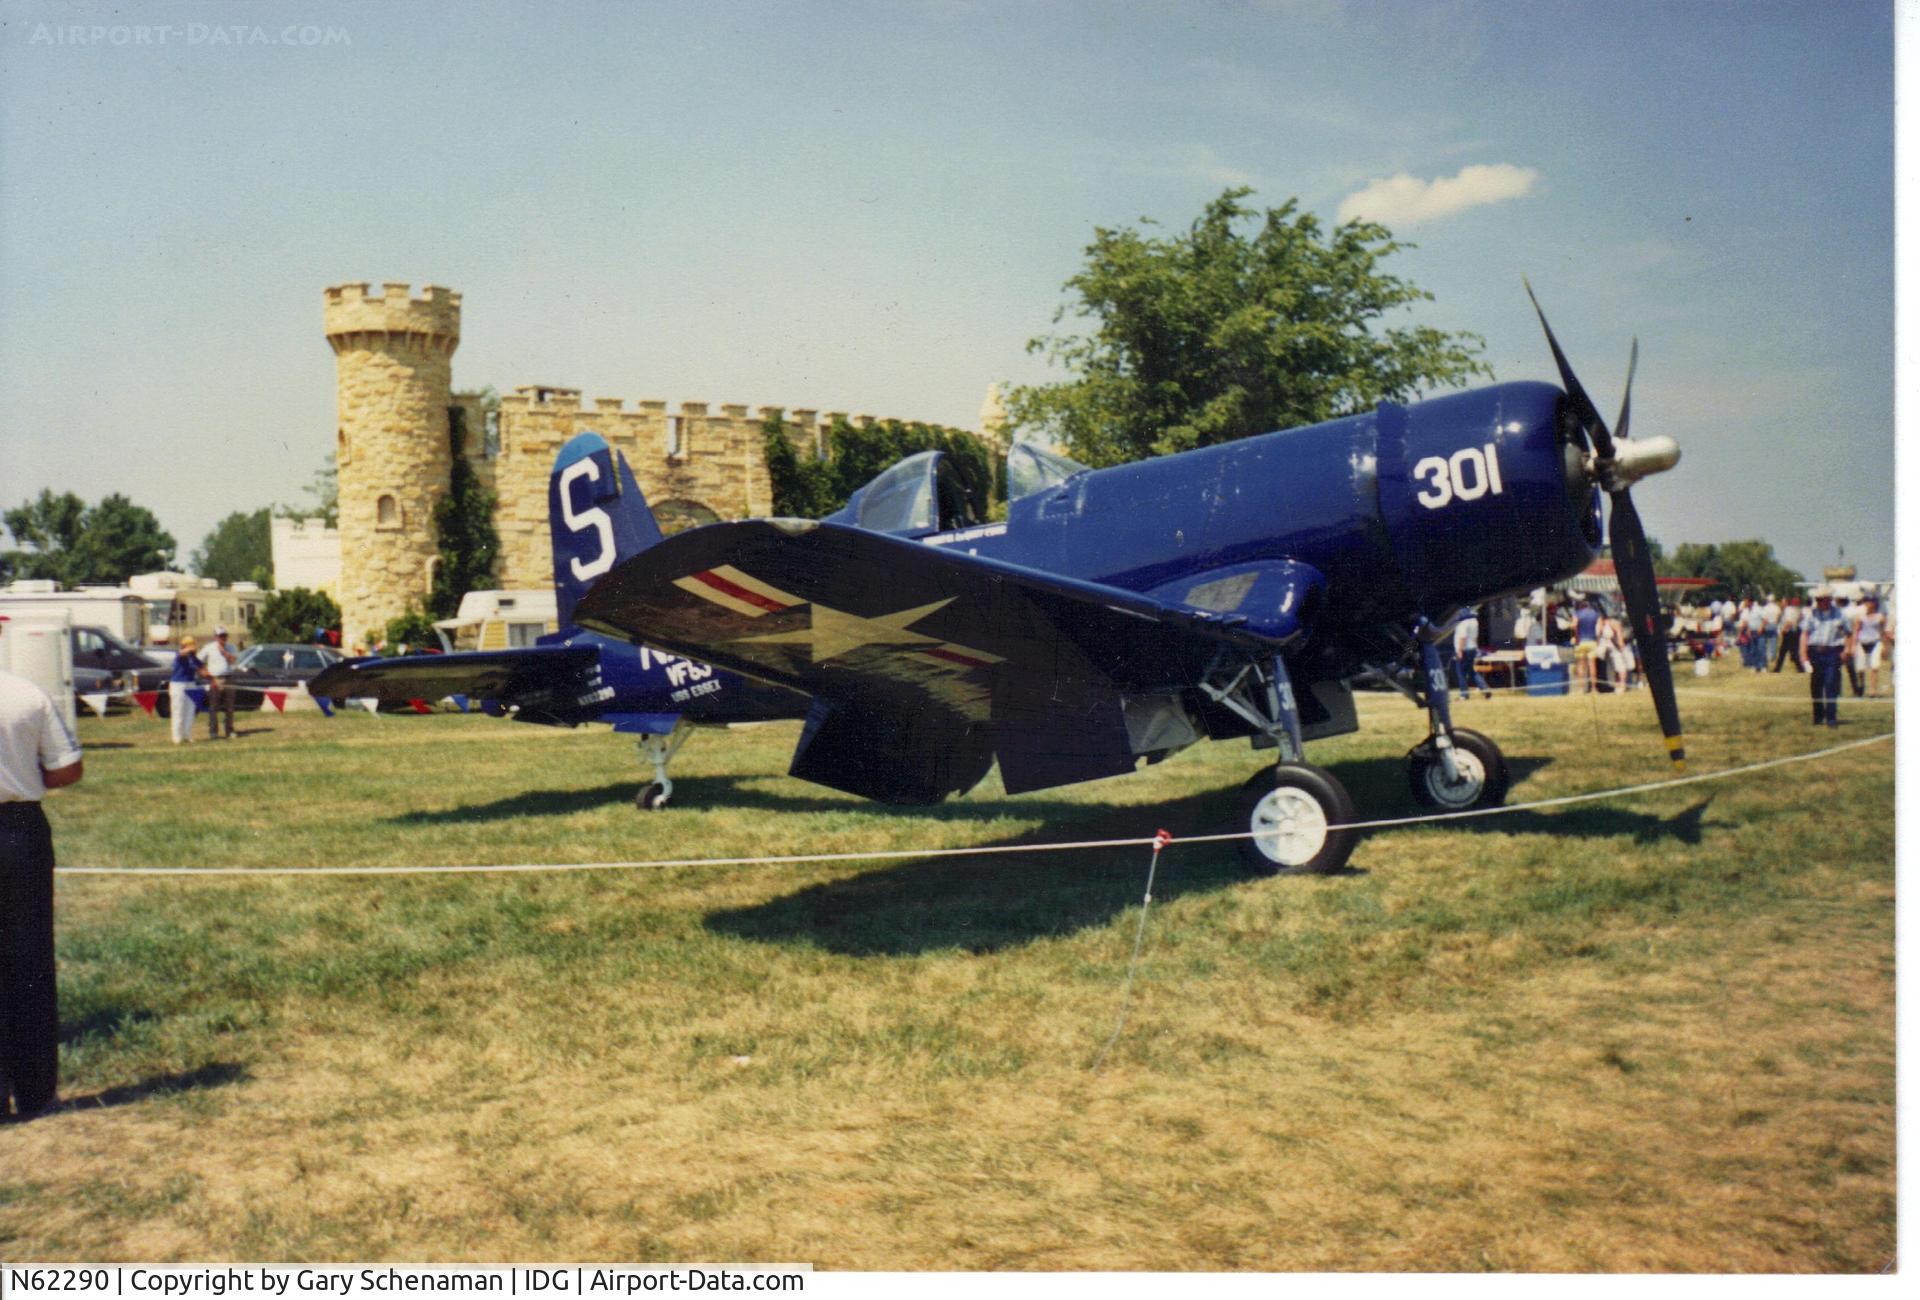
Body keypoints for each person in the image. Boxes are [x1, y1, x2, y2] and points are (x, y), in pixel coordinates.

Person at [0, 613, 84, 1119]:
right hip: (19, 833)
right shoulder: (27, 695)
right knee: (29, 961)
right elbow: (67, 768)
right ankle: (35, 1092)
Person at [1800, 586, 1852, 728]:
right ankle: (1818, 717)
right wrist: (1804, 656)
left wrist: (1846, 650)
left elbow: (1848, 633)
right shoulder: (1811, 615)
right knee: (1816, 686)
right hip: (1815, 653)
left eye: (1822, 599)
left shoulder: (1840, 614)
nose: (1819, 602)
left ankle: (1831, 718)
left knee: (1831, 684)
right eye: (1817, 600)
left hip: (1832, 652)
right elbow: (1804, 635)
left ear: (1829, 599)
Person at [168, 635, 205, 745]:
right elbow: (181, 653)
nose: (192, 648)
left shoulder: (193, 657)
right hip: (178, 684)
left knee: (190, 711)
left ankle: (187, 734)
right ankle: (177, 737)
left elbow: (201, 668)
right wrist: (188, 649)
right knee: (178, 710)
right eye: (189, 645)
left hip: (191, 683)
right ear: (183, 645)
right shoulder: (179, 654)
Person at [203, 625, 237, 740]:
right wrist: (206, 673)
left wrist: (224, 652)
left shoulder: (231, 647)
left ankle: (229, 730)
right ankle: (213, 731)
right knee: (214, 706)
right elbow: (198, 660)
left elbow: (233, 661)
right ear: (215, 637)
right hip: (215, 678)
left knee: (230, 706)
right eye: (220, 636)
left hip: (229, 678)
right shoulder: (209, 647)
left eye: (225, 635)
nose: (223, 638)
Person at [1452, 609, 1490, 701]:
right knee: (1471, 671)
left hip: (1464, 649)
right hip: (1472, 648)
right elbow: (1475, 637)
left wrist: (1459, 650)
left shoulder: (1463, 623)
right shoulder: (1474, 622)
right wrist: (1476, 649)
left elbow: (1462, 637)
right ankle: (1484, 688)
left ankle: (1464, 694)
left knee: (1461, 672)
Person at [1855, 597, 1889, 697]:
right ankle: (1861, 686)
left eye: (1869, 603)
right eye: (1866, 604)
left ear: (1874, 605)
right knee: (1860, 668)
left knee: (1875, 667)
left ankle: (1873, 690)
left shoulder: (1880, 617)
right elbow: (1856, 632)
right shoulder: (1860, 617)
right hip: (1862, 643)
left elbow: (1883, 633)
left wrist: (1885, 646)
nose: (1867, 606)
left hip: (1875, 642)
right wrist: (1853, 645)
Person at [1573, 596, 1601, 693]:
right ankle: (1594, 688)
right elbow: (1599, 629)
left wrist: (1577, 638)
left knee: (1581, 665)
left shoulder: (1577, 614)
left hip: (1581, 641)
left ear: (1581, 605)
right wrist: (1597, 640)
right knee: (1592, 665)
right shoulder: (1596, 614)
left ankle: (1581, 688)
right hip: (1592, 641)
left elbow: (1574, 626)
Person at [1773, 598, 1803, 672]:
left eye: (1782, 603)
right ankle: (1800, 668)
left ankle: (1800, 668)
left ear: (1786, 603)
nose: (1781, 604)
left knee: (1786, 652)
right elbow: (1800, 618)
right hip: (1794, 632)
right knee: (1788, 651)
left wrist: (1783, 630)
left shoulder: (1788, 610)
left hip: (1789, 633)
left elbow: (1788, 622)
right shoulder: (1795, 610)